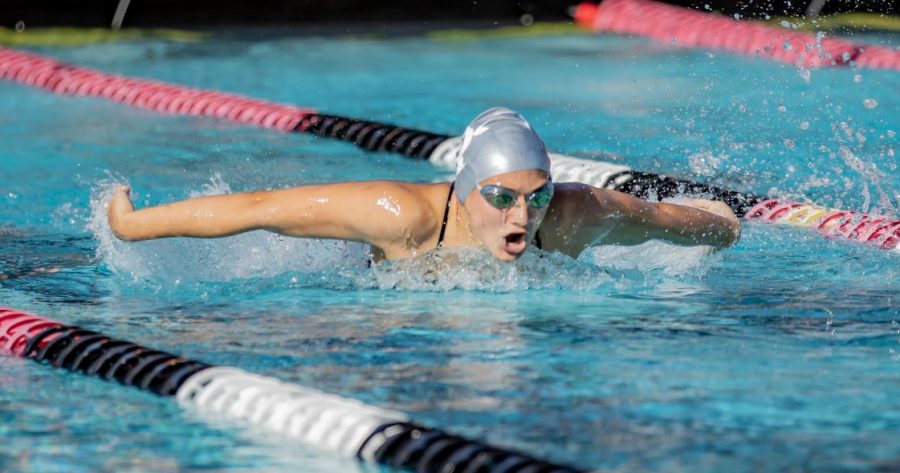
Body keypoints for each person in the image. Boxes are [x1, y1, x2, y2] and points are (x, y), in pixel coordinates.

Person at [107, 107, 741, 263]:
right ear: (463, 189)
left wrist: (726, 225)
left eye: (537, 194)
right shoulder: (399, 215)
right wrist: (133, 225)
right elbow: (259, 209)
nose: (524, 213)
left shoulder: (573, 215)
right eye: (502, 196)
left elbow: (671, 220)